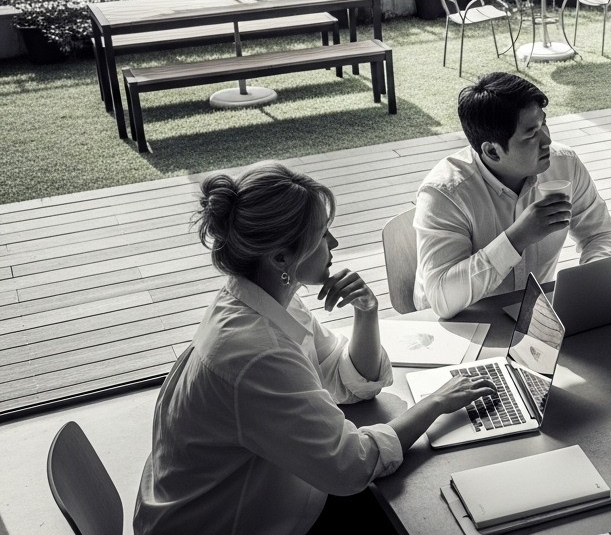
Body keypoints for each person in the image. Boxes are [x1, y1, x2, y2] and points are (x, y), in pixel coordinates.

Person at [134, 163, 497, 535]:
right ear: (280, 258)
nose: (335, 243)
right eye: (323, 234)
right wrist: (435, 403)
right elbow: (351, 467)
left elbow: (349, 379)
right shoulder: (257, 353)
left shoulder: (268, 300)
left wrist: (366, 313)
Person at [414, 72, 611, 317]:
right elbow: (441, 298)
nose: (547, 140)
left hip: (534, 315)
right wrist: (516, 239)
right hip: (457, 326)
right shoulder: (444, 194)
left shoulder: (564, 164)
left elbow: (601, 234)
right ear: (492, 151)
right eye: (531, 134)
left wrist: (589, 284)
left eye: (543, 123)